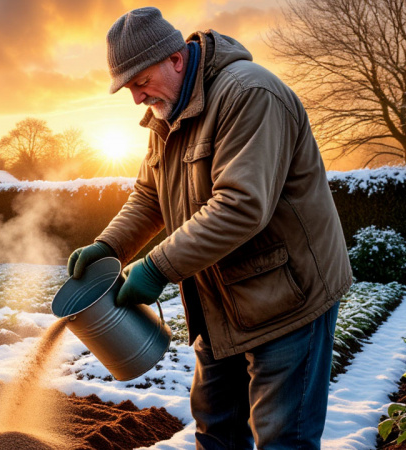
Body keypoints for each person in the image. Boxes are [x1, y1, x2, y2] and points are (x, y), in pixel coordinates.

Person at [67, 7, 352, 449]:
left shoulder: (251, 95)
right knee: (216, 431)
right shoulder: (167, 117)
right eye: (128, 89)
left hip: (286, 298)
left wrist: (157, 267)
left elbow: (241, 206)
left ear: (175, 59)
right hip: (220, 303)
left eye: (140, 83)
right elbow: (149, 196)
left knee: (283, 439)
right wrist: (108, 247)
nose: (137, 99)